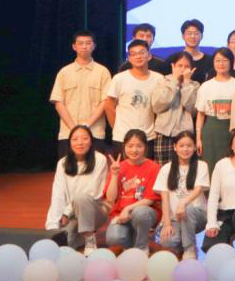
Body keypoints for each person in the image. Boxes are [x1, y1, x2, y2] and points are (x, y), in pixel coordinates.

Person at [46, 124, 110, 254]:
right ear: (70, 143)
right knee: (63, 244)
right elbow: (58, 194)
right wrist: (53, 225)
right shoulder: (62, 163)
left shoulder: (100, 159)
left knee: (81, 198)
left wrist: (66, 212)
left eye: (85, 138)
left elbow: (93, 192)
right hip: (73, 215)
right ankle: (80, 235)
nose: (80, 143)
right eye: (75, 139)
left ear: (91, 142)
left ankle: (90, 239)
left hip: (95, 210)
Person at [49, 30, 113, 157]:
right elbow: (58, 102)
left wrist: (87, 125)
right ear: (74, 46)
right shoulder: (64, 72)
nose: (84, 46)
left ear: (94, 46)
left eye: (88, 43)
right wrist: (74, 128)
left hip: (94, 132)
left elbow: (105, 102)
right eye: (80, 43)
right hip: (68, 133)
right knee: (68, 167)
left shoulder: (103, 71)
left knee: (95, 167)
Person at [103, 40, 165, 157]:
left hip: (148, 136)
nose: (138, 56)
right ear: (129, 58)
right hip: (122, 136)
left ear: (149, 56)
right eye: (134, 54)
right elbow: (109, 105)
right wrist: (116, 127)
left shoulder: (159, 79)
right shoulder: (119, 78)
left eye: (141, 53)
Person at [103, 129, 161, 251]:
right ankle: (132, 242)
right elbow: (110, 198)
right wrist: (114, 175)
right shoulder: (118, 167)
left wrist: (128, 209)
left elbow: (150, 199)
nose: (134, 150)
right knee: (113, 238)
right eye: (130, 146)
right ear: (124, 147)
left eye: (139, 146)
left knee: (140, 213)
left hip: (144, 213)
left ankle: (142, 247)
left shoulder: (154, 167)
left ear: (145, 147)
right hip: (121, 215)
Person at [155, 130, 209, 259]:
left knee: (188, 209)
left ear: (195, 147)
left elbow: (198, 189)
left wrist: (183, 203)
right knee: (168, 241)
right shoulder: (166, 169)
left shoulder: (202, 165)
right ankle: (182, 242)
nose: (185, 149)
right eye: (181, 145)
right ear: (175, 147)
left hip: (197, 216)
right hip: (175, 218)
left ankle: (189, 249)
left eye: (189, 145)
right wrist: (167, 224)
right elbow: (165, 199)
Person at [150, 51, 198, 163]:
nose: (183, 69)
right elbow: (157, 106)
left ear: (192, 69)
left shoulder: (195, 85)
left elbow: (192, 110)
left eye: (187, 66)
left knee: (184, 167)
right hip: (163, 132)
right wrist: (174, 82)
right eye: (180, 65)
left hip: (185, 134)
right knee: (163, 169)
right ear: (173, 66)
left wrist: (186, 83)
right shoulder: (162, 81)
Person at [195, 47, 235, 172]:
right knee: (210, 167)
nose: (221, 64)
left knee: (231, 167)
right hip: (211, 132)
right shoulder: (206, 86)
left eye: (225, 60)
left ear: (231, 62)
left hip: (233, 131)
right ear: (213, 63)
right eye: (218, 60)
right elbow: (200, 115)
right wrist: (198, 139)